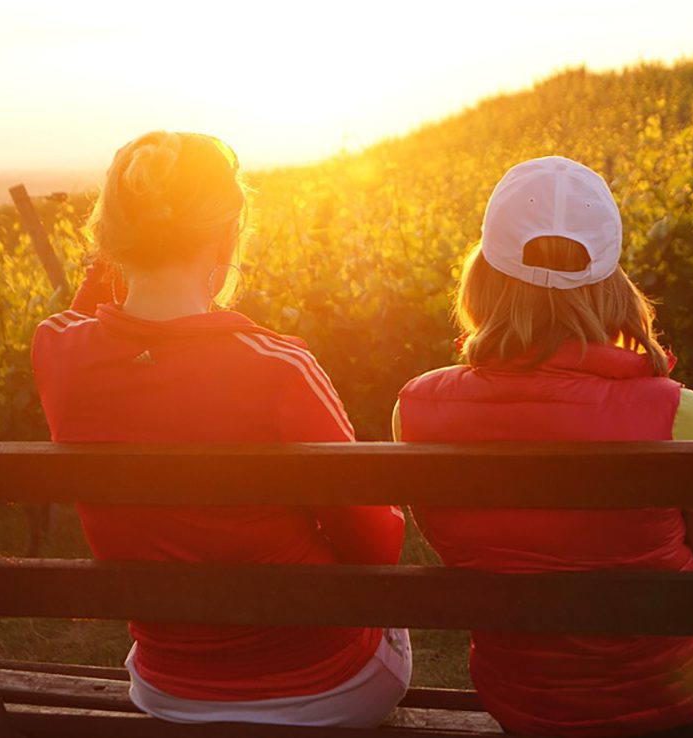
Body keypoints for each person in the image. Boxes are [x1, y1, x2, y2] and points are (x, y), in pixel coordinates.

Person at [393, 156, 693, 737]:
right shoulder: (679, 411)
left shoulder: (415, 410)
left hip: (527, 703)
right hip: (685, 700)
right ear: (610, 282)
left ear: (482, 276)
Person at [32, 131, 410, 728]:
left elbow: (87, 313)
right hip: (328, 686)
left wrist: (121, 254)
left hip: (169, 687)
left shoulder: (58, 353)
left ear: (109, 238)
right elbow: (376, 548)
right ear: (227, 235)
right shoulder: (278, 368)